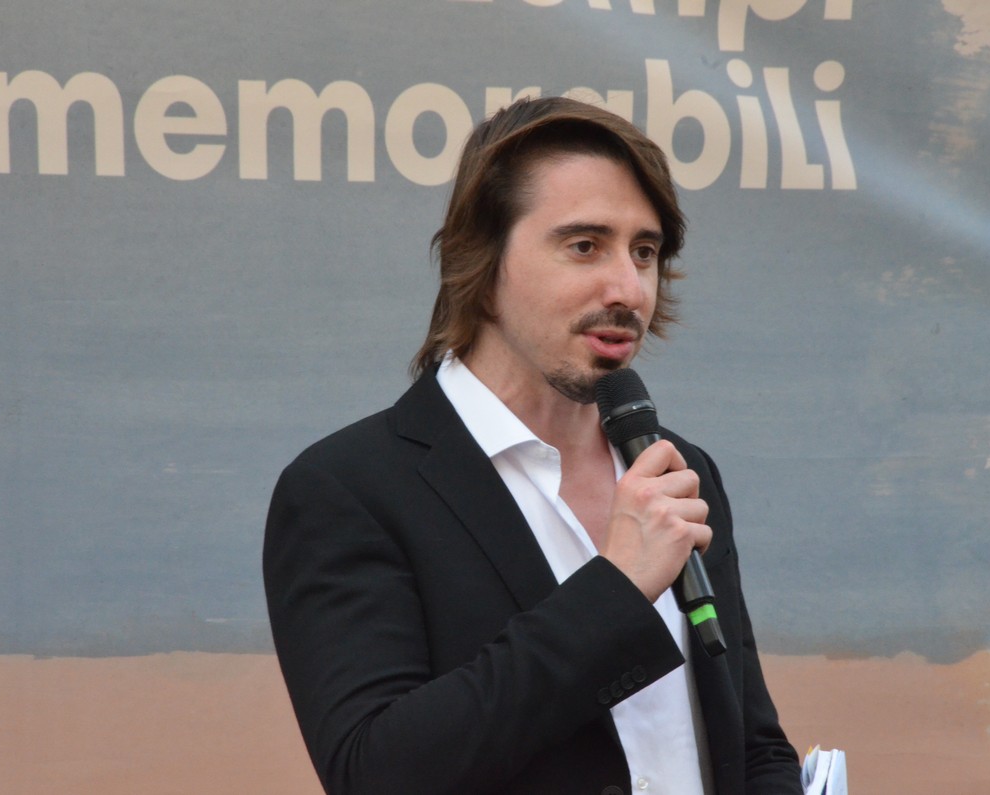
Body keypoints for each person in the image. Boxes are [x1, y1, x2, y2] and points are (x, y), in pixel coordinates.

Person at [263, 96, 802, 795]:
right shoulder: (350, 489)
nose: (628, 288)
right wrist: (616, 590)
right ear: (483, 263)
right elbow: (377, 771)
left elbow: (751, 745)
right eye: (584, 246)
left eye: (644, 251)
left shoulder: (679, 470)